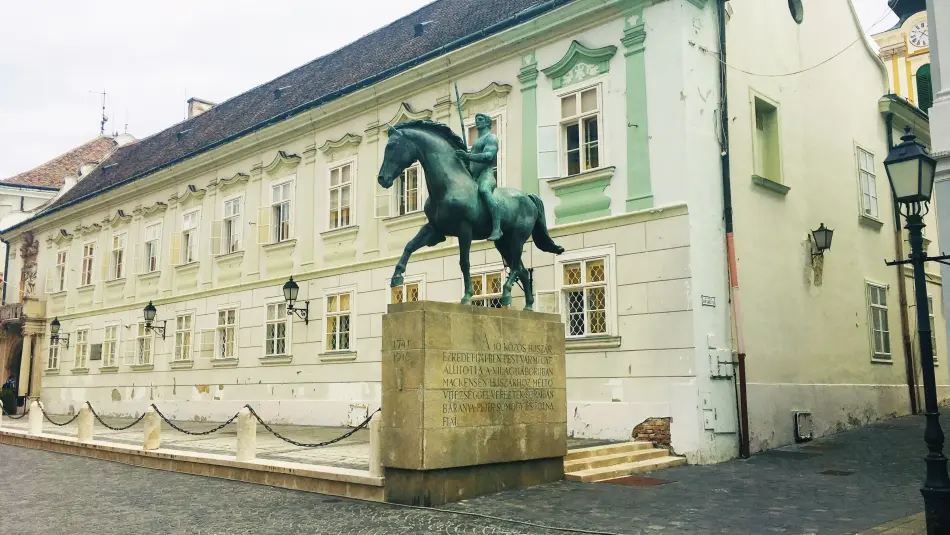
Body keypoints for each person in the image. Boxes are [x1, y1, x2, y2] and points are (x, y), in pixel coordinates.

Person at [455, 113, 502, 240]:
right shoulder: (477, 142)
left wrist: (468, 156)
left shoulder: (491, 138)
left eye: (480, 119)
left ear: (487, 123)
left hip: (486, 174)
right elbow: (472, 161)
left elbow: (489, 156)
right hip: (474, 176)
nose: (477, 122)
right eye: (476, 120)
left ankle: (497, 228)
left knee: (484, 190)